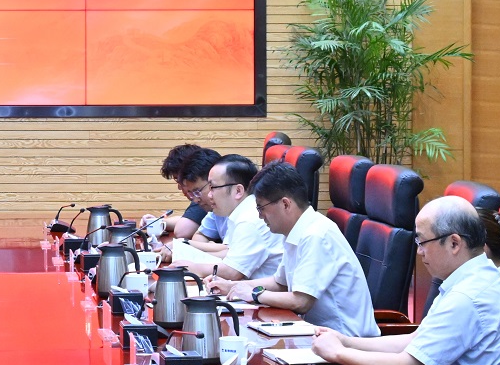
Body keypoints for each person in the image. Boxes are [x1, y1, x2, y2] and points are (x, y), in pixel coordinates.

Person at [312, 195, 500, 365]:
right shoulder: (471, 278)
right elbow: (415, 340)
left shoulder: (468, 296)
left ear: (454, 243)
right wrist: (345, 340)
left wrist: (338, 353)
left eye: (422, 242)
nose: (419, 251)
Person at [221, 161, 378, 336]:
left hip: (347, 340)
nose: (259, 216)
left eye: (261, 208)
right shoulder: (295, 230)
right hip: (316, 333)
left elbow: (301, 301)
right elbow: (280, 284)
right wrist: (233, 286)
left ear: (285, 204)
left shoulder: (316, 235)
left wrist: (254, 294)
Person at [161, 154, 279, 280]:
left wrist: (191, 266)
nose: (209, 195)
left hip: (261, 290)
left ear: (238, 191)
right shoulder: (240, 212)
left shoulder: (250, 219)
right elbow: (229, 257)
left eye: (213, 188)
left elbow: (232, 271)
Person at [155, 144, 224, 243]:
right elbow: (198, 235)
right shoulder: (214, 210)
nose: (180, 186)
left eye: (180, 180)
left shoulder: (207, 200)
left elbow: (182, 231)